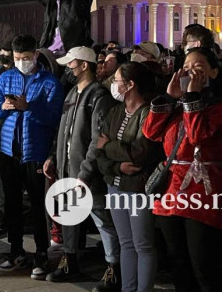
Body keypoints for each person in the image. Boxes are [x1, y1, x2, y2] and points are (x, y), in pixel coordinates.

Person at [143, 47, 222, 292]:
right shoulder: (178, 106)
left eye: (198, 67)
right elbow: (151, 132)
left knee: (204, 264)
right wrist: (169, 98)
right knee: (178, 262)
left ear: (214, 72)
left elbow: (198, 136)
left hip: (204, 190)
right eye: (186, 67)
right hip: (172, 190)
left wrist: (192, 98)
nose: (191, 72)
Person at [42, 47, 119, 290]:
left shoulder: (98, 96)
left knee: (102, 219)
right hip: (68, 168)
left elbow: (97, 139)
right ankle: (70, 259)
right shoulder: (72, 93)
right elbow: (63, 129)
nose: (68, 67)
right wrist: (53, 156)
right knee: (69, 216)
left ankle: (114, 267)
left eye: (71, 63)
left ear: (84, 65)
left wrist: (85, 173)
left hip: (88, 174)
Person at [0, 35, 64, 280]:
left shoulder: (49, 81)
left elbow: (55, 117)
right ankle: (15, 250)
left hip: (35, 151)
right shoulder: (5, 77)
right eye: (17, 58)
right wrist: (3, 108)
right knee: (11, 204)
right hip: (8, 150)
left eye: (25, 58)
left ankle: (41, 253)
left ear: (35, 55)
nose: (21, 62)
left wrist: (29, 107)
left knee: (36, 204)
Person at [96, 62, 159, 292]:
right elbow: (99, 152)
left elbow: (140, 153)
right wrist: (117, 167)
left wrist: (110, 146)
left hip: (138, 188)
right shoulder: (115, 112)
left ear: (130, 85)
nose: (113, 84)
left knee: (143, 244)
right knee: (125, 243)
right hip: (115, 184)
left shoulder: (149, 113)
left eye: (117, 80)